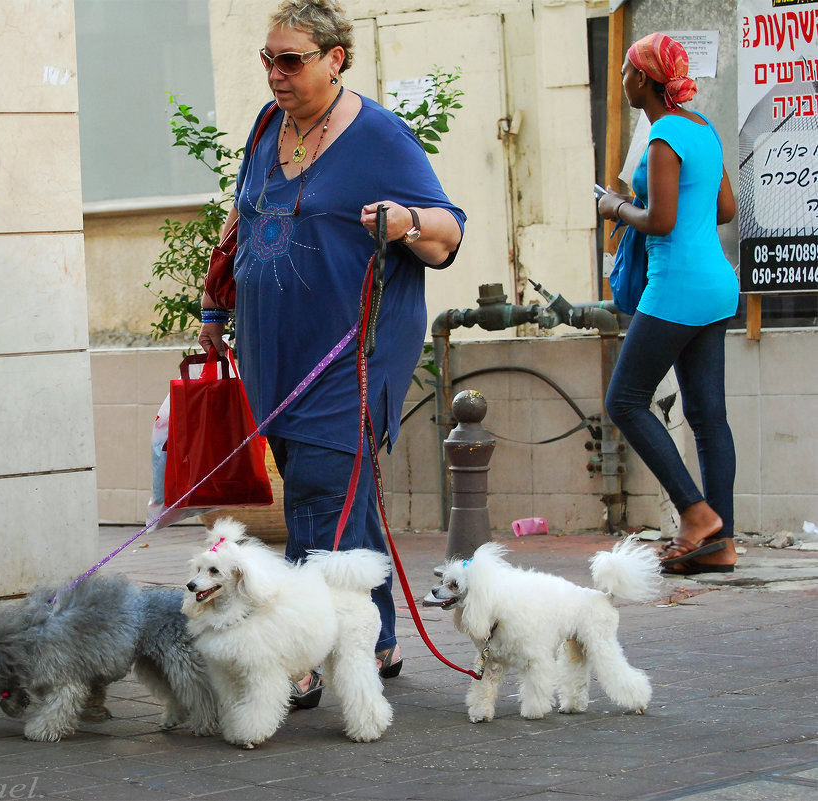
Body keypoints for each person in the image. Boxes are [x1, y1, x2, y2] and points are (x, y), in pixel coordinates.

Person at [198, 0, 466, 704]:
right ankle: (374, 636)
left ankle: (302, 654)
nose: (274, 73)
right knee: (337, 499)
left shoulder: (378, 136)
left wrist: (404, 220)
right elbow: (242, 216)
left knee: (320, 498)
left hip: (351, 356)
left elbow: (447, 233)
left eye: (290, 60)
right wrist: (215, 302)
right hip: (275, 353)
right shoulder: (267, 125)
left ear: (334, 59)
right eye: (267, 59)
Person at [597, 33, 739, 576]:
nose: (625, 80)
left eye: (630, 70)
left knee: (625, 400)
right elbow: (724, 208)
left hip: (676, 286)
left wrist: (615, 206)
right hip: (717, 285)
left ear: (647, 80)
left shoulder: (663, 137)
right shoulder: (704, 130)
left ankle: (695, 514)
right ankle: (719, 545)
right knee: (707, 418)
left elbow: (660, 221)